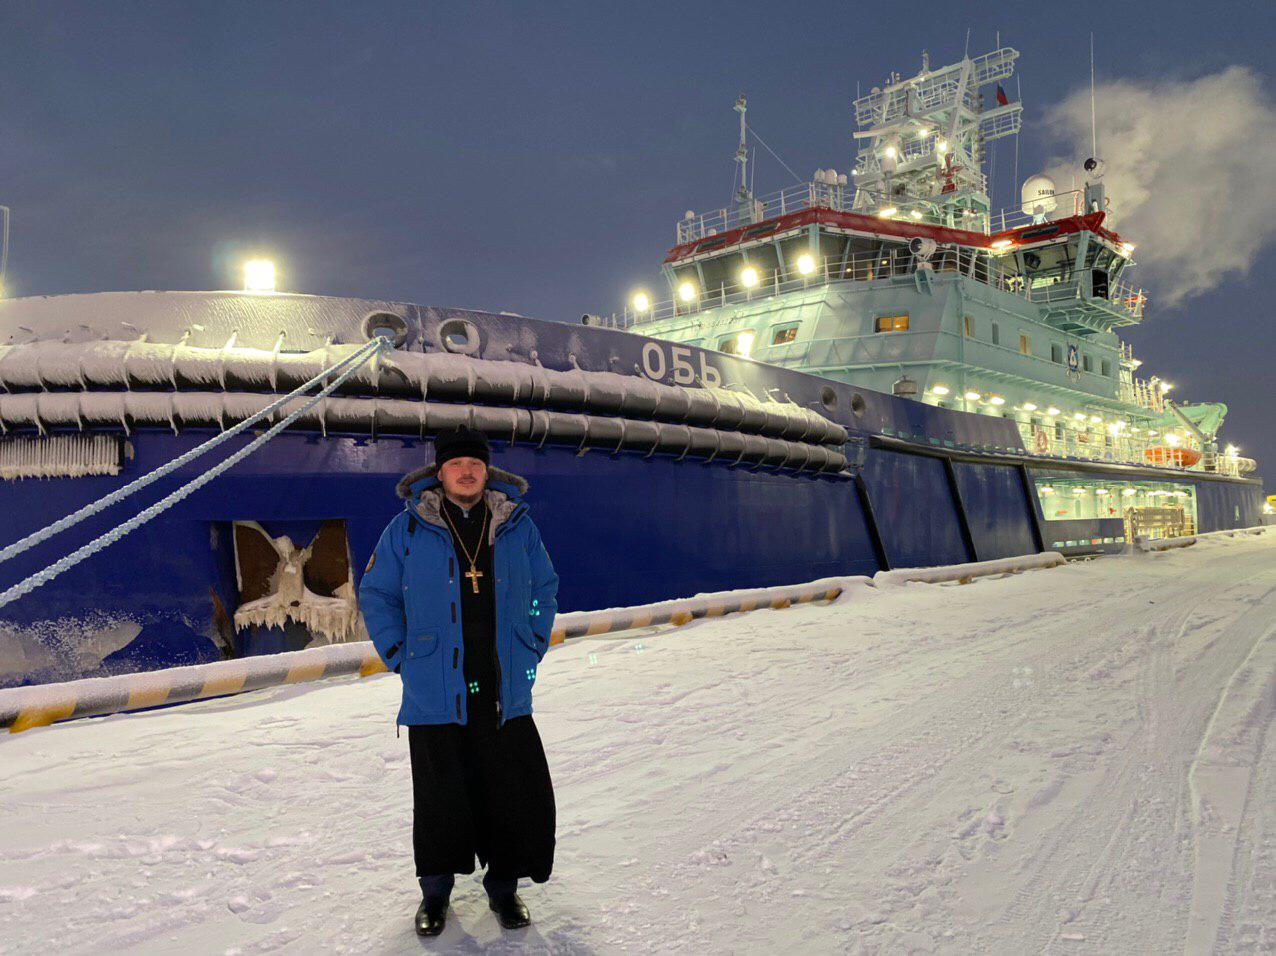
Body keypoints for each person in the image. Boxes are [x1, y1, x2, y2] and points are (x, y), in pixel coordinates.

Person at [358, 426, 559, 937]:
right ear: (440, 473)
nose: (466, 471)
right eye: (455, 464)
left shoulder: (517, 525)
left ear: (486, 471)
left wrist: (531, 638)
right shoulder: (406, 529)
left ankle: (504, 889)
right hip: (434, 691)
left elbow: (545, 586)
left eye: (475, 463)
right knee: (439, 799)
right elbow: (377, 593)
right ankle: (435, 894)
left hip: (501, 688)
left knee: (509, 794)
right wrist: (401, 653)